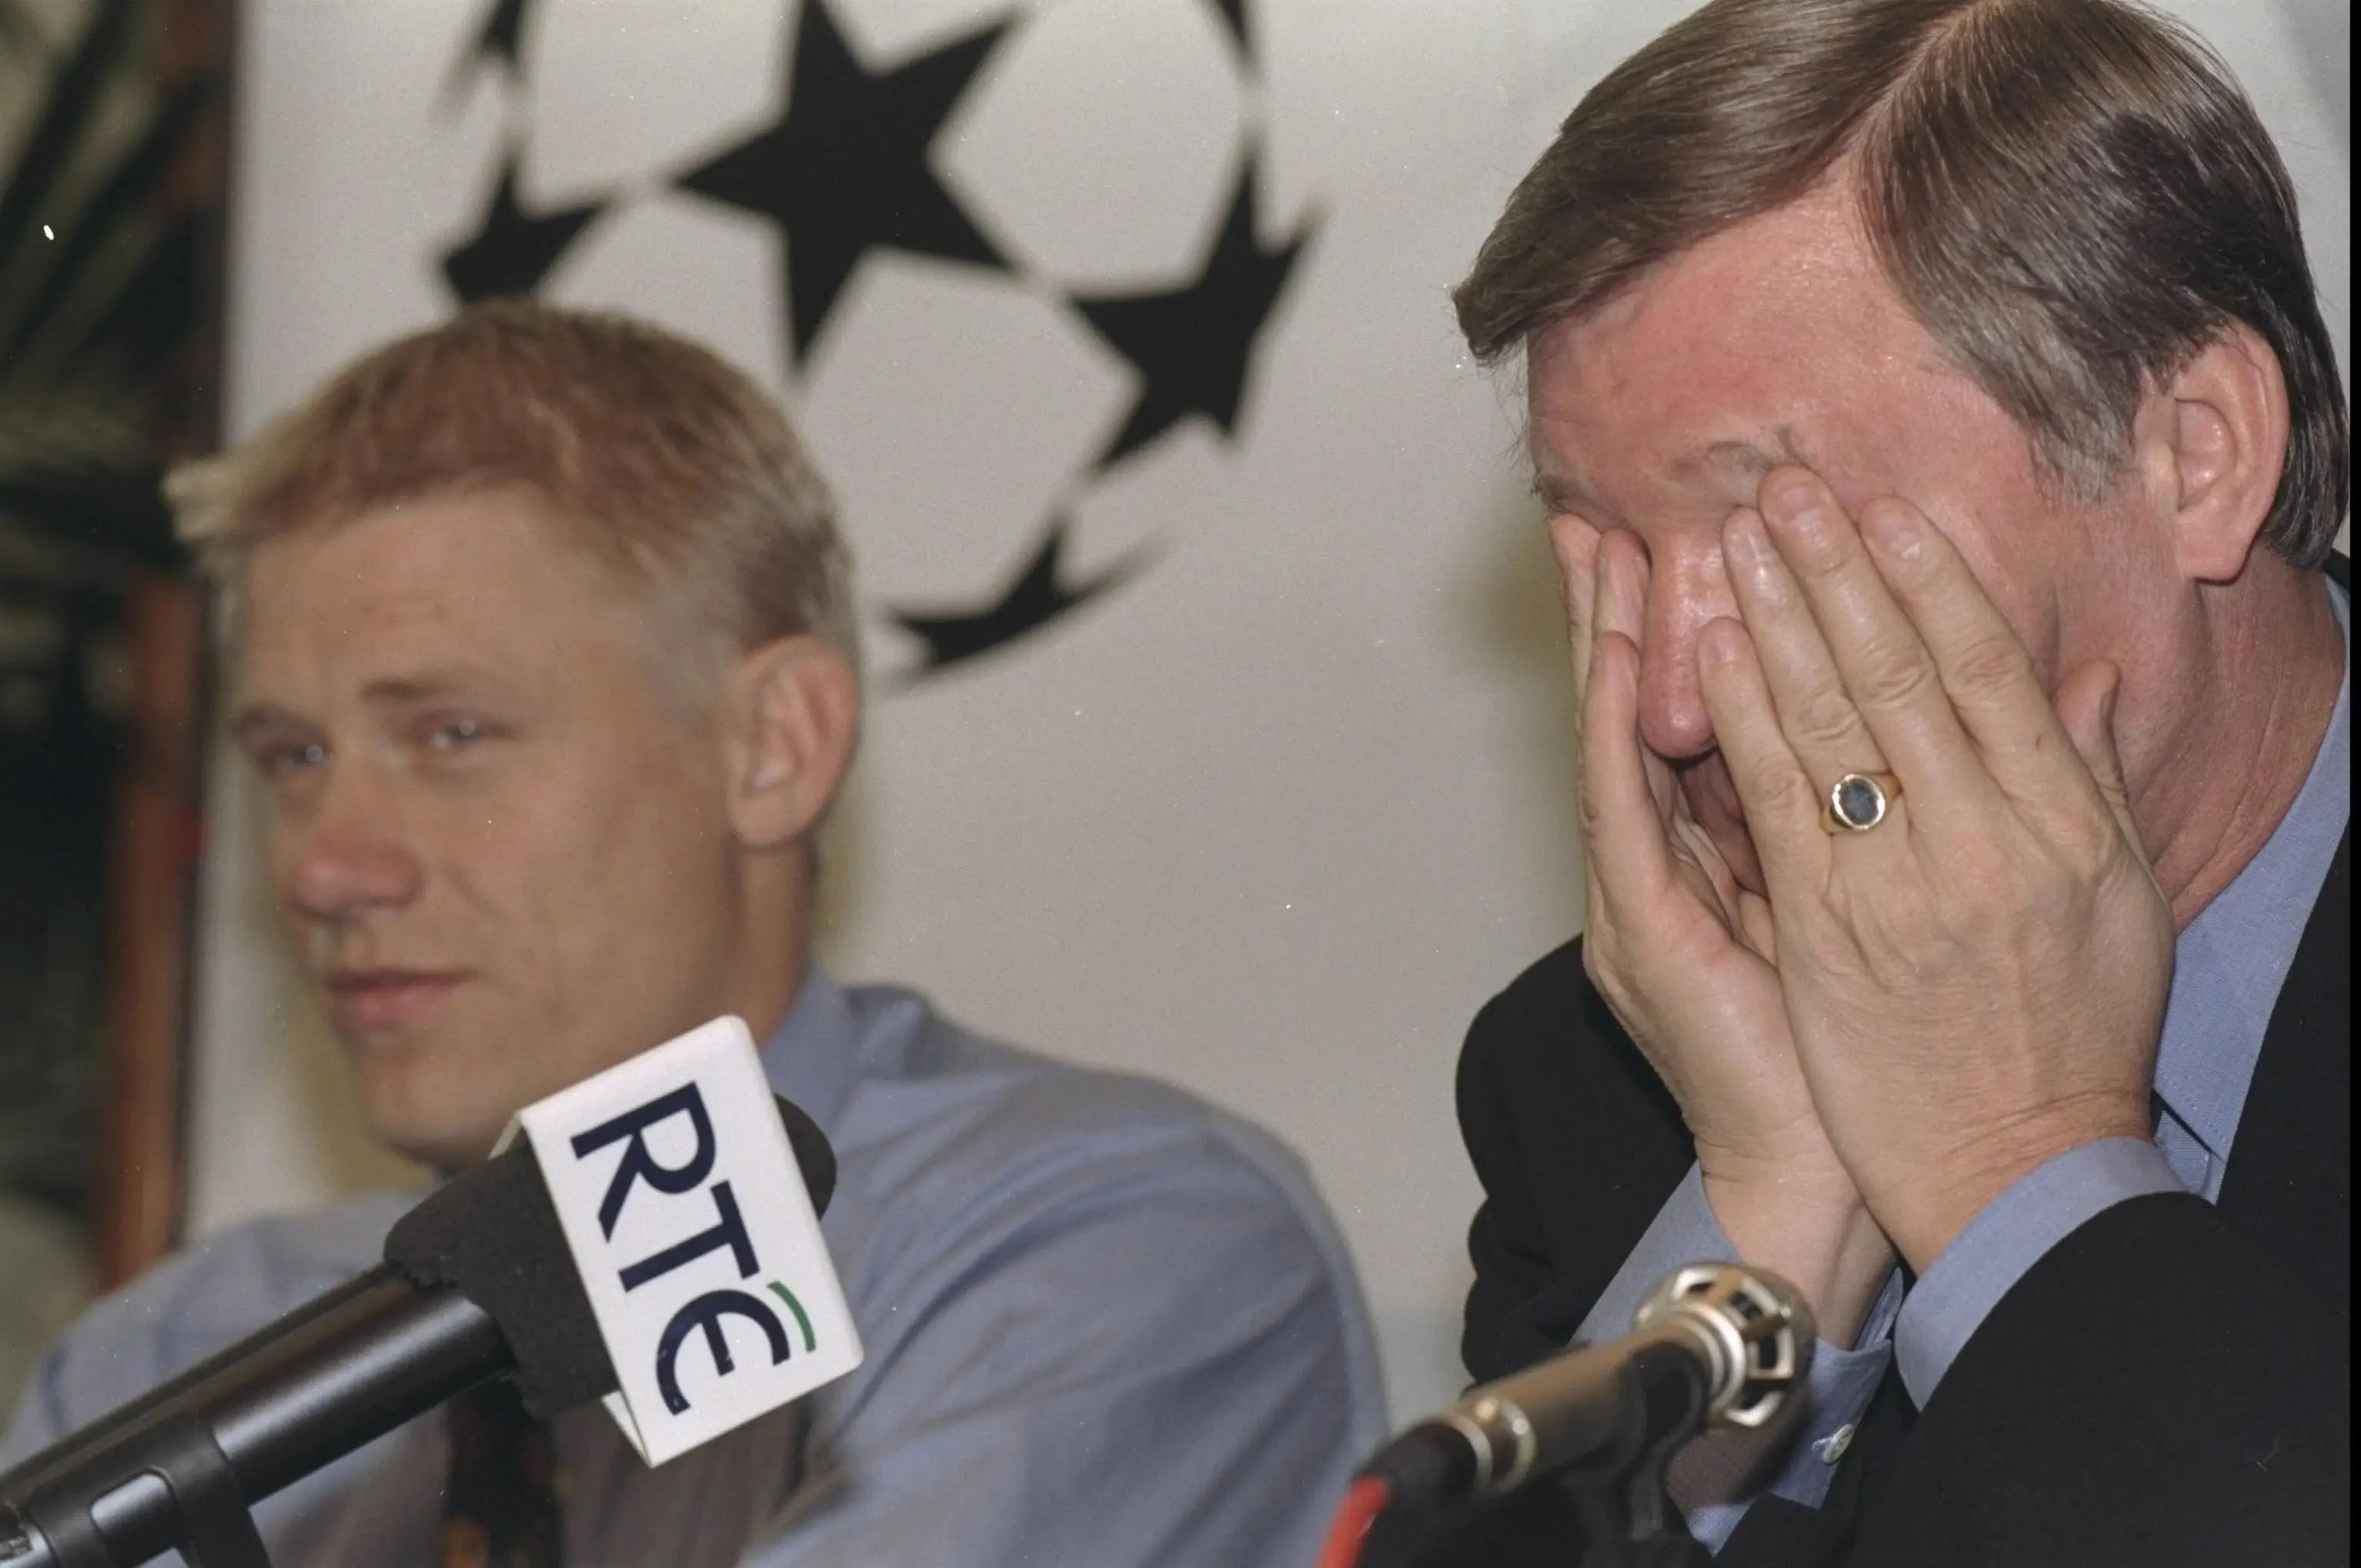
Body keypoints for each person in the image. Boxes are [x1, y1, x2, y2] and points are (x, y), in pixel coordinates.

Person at [0, 302, 1385, 1567]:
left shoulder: (1110, 1256)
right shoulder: (175, 1363)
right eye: (294, 756)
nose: (329, 867)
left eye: (454, 733)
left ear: (772, 748)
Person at [1436, 2, 2347, 1563]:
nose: (1666, 702)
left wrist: (2025, 1167)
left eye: (1776, 530)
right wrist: (1787, 1206)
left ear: (2194, 456)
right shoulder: (1595, 1073)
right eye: (1608, 554)